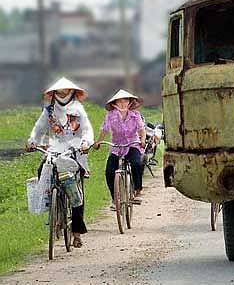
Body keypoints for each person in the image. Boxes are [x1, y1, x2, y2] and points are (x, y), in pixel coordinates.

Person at [27, 77, 93, 248]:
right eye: (60, 92)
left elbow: (87, 130)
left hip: (74, 150)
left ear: (72, 93)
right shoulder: (48, 111)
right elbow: (38, 128)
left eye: (66, 92)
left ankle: (77, 233)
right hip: (55, 149)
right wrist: (32, 140)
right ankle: (51, 203)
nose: (63, 95)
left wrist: (86, 142)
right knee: (42, 169)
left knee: (76, 194)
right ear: (54, 94)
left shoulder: (78, 110)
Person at [94, 90, 146, 208]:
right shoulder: (110, 115)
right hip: (116, 146)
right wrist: (98, 142)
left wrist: (142, 140)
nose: (123, 103)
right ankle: (114, 199)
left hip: (132, 144)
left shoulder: (135, 115)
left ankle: (137, 190)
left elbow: (141, 130)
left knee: (136, 163)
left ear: (129, 103)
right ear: (115, 104)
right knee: (109, 171)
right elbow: (104, 130)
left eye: (126, 101)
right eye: (120, 101)